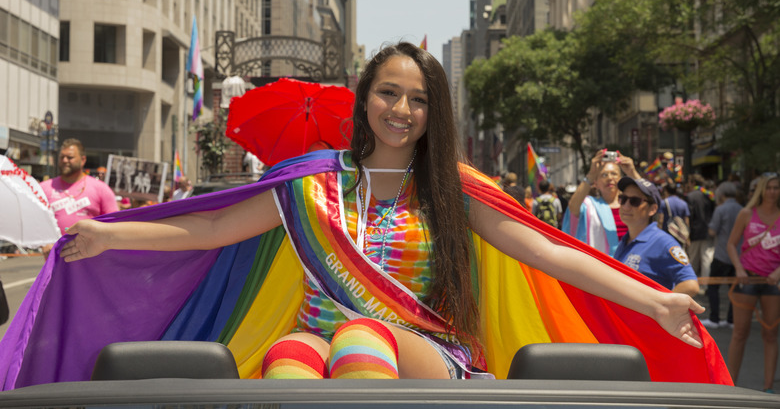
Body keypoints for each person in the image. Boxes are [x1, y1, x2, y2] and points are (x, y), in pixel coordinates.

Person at [2, 43, 728, 388]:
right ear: (363, 99)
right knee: (290, 357)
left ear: (430, 110)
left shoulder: (452, 189)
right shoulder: (312, 184)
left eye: (416, 99)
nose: (402, 110)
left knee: (357, 333)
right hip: (323, 353)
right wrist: (107, 233)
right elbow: (209, 226)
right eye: (388, 93)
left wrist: (657, 301)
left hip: (426, 356)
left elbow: (548, 252)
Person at [725, 172, 780, 393]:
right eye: (769, 187)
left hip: (772, 282)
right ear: (761, 189)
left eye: (776, 188)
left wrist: (778, 272)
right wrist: (739, 268)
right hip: (746, 277)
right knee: (740, 332)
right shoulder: (747, 214)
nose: (772, 192)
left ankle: (768, 388)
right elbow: (731, 244)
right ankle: (728, 384)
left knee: (770, 334)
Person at [613, 177, 699, 297]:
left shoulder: (663, 242)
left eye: (635, 201)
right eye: (623, 199)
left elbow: (690, 285)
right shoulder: (625, 240)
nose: (626, 206)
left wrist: (659, 306)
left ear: (652, 209)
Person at [562, 150, 640, 257]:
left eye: (614, 173)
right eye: (604, 175)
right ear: (596, 183)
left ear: (620, 180)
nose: (609, 178)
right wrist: (591, 174)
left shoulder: (632, 203)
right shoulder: (589, 205)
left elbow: (650, 199)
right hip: (600, 267)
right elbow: (573, 208)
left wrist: (632, 172)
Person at [40, 139, 119, 234]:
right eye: (62, 157)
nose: (64, 160)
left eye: (70, 157)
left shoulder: (101, 189)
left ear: (83, 160)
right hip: (54, 248)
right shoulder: (44, 188)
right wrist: (45, 244)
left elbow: (114, 225)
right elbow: (34, 220)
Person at [701, 181, 742, 329]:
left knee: (713, 286)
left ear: (721, 194)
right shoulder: (742, 209)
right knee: (734, 288)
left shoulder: (721, 209)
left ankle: (714, 318)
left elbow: (712, 231)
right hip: (738, 255)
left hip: (721, 253)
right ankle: (731, 319)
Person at [686, 174, 715, 277]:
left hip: (694, 231)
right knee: (706, 259)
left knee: (693, 259)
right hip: (708, 231)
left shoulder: (690, 196)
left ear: (693, 183)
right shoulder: (709, 195)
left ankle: (692, 281)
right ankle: (705, 284)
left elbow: (689, 216)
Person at [658, 180, 691, 246]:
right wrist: (687, 237)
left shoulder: (663, 203)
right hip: (680, 235)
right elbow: (686, 221)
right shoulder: (684, 203)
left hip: (667, 234)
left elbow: (660, 220)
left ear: (666, 191)